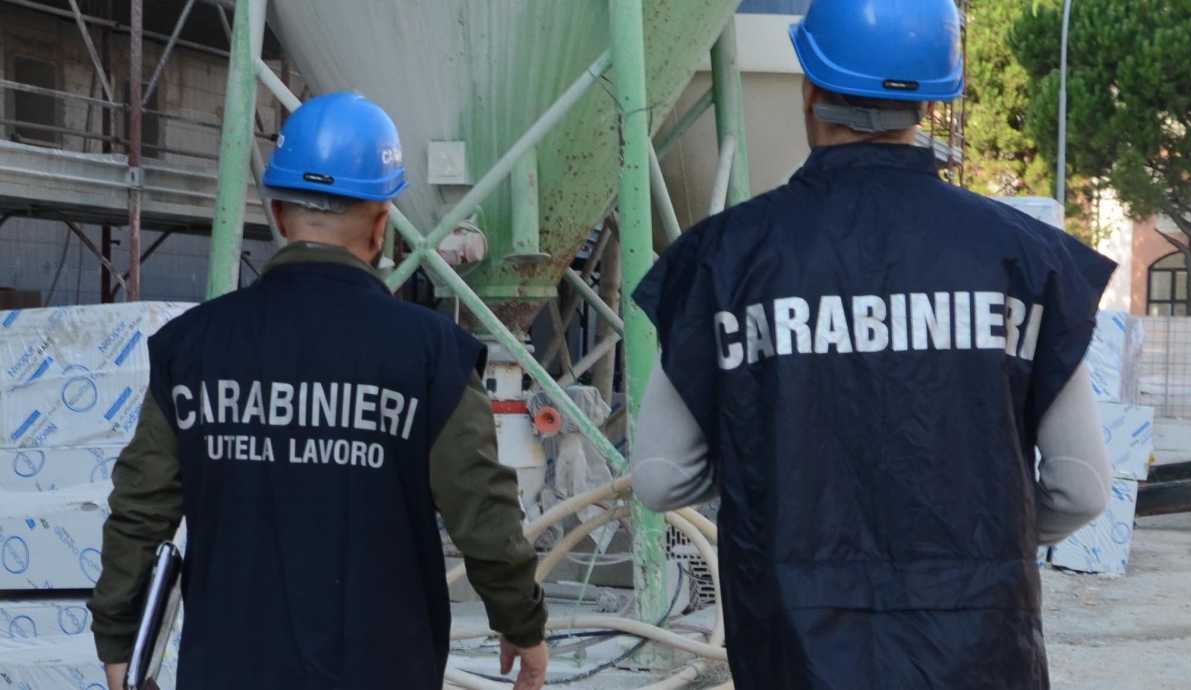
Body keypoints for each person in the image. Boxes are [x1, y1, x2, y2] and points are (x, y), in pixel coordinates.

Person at [630, 2, 1115, 688]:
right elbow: (1083, 488)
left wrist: (773, 487)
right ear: (932, 101)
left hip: (793, 646)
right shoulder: (1027, 261)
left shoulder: (723, 260)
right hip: (977, 646)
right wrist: (980, 536)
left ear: (809, 88)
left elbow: (660, 477)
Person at [88, 92, 549, 690]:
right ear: (382, 224)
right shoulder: (432, 355)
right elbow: (482, 511)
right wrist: (521, 622)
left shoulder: (191, 348)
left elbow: (140, 510)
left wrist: (120, 637)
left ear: (279, 214)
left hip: (229, 671)